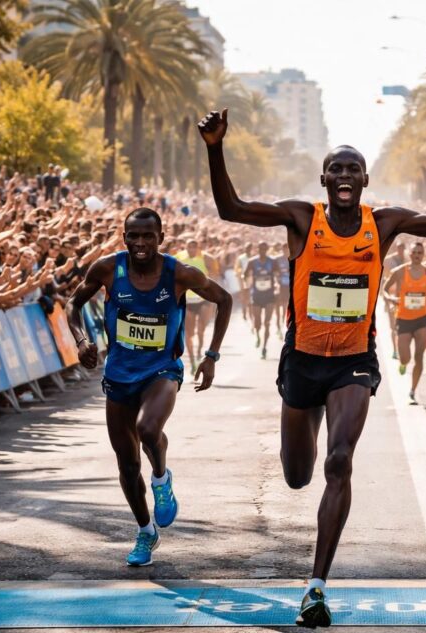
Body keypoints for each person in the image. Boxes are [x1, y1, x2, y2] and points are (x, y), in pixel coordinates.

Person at [199, 108, 426, 628]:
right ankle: (305, 466)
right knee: (297, 475)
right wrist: (215, 147)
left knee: (340, 462)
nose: (345, 175)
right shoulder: (302, 218)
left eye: (354, 169)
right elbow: (232, 208)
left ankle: (316, 586)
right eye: (337, 169)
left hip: (353, 360)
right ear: (324, 179)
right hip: (302, 360)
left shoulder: (384, 223)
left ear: (365, 180)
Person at [67, 208, 232, 566]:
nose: (140, 243)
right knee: (127, 465)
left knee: (148, 428)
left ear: (161, 238)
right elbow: (73, 304)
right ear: (124, 237)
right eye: (134, 236)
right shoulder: (107, 269)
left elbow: (224, 300)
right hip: (119, 373)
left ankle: (161, 478)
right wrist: (81, 341)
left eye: (148, 236)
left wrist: (211, 356)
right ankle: (145, 531)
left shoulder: (179, 273)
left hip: (162, 370)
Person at [383, 243, 426, 404]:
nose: (417, 255)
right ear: (409, 254)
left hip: (422, 319)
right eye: (414, 252)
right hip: (403, 319)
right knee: (405, 357)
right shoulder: (400, 271)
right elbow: (385, 289)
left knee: (419, 356)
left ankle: (412, 390)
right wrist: (391, 298)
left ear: (423, 255)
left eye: (420, 252)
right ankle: (403, 364)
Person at [177, 237, 219, 375]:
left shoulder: (207, 258)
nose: (192, 249)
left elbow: (214, 277)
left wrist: (213, 298)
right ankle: (192, 360)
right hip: (188, 301)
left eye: (194, 247)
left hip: (203, 300)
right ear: (185, 247)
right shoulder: (178, 258)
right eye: (189, 246)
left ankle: (200, 351)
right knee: (189, 334)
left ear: (198, 248)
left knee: (201, 331)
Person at [245, 240, 278, 359]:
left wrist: (277, 284)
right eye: (260, 248)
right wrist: (248, 283)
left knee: (267, 323)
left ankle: (264, 347)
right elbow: (245, 275)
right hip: (257, 295)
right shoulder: (252, 262)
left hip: (269, 295)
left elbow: (278, 275)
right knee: (257, 322)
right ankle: (258, 335)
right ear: (257, 249)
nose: (262, 251)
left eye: (264, 249)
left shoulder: (273, 261)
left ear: (267, 249)